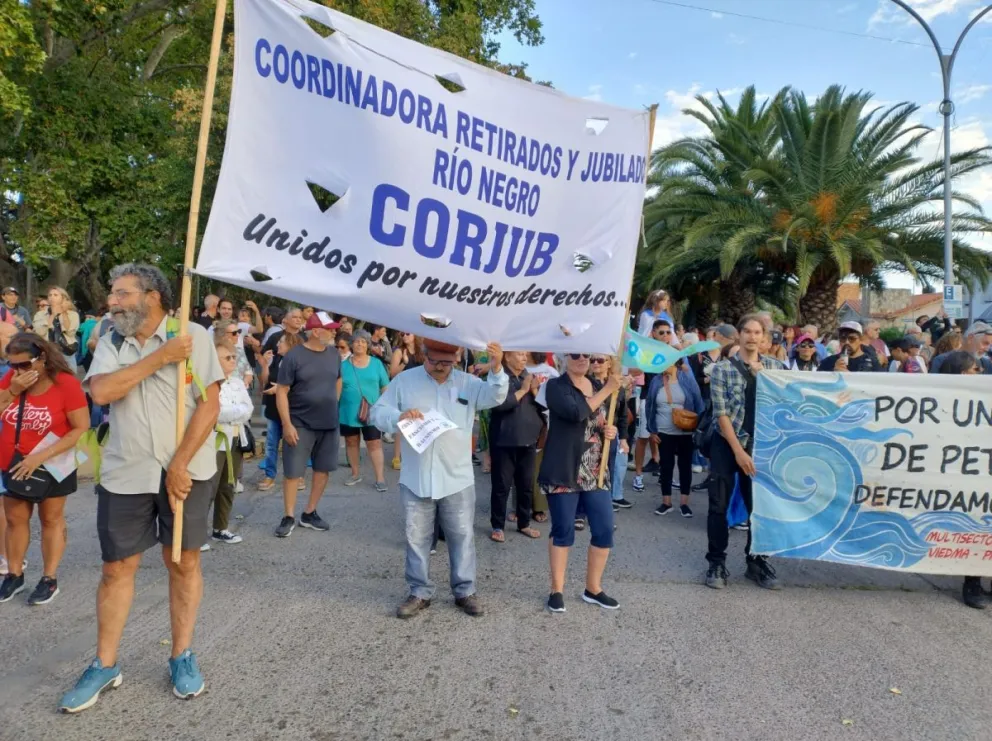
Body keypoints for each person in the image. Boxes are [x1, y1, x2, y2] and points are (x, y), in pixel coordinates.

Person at [59, 263, 225, 711]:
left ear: (152, 295)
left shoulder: (193, 334)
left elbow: (209, 407)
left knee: (184, 564)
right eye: (113, 294)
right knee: (116, 568)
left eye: (121, 293)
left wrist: (180, 463)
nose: (111, 302)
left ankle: (182, 654)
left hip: (187, 471)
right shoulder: (113, 339)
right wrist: (160, 358)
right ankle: (105, 664)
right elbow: (103, 392)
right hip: (125, 473)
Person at [370, 339, 507, 619]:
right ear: (425, 356)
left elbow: (496, 396)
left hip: (456, 475)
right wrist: (399, 416)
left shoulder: (468, 382)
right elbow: (377, 412)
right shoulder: (405, 381)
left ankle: (465, 591)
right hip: (416, 475)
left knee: (461, 536)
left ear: (457, 357)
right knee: (417, 537)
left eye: (448, 362)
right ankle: (419, 592)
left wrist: (497, 368)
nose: (441, 367)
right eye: (435, 361)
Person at [0, 334, 88, 605]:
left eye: (24, 365)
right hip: (13, 459)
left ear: (42, 358)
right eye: (12, 365)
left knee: (51, 519)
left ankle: (49, 578)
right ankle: (14, 574)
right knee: (15, 519)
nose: (18, 371)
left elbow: (80, 427)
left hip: (52, 462)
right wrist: (13, 389)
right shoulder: (12, 381)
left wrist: (39, 457)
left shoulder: (66, 384)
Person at [705, 314, 786, 591]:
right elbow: (721, 413)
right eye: (747, 331)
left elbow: (786, 406)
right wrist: (738, 451)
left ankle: (756, 560)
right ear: (739, 335)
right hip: (727, 444)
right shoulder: (722, 370)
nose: (752, 337)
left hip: (763, 446)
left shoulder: (776, 368)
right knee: (719, 504)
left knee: (760, 507)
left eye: (757, 332)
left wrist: (764, 379)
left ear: (765, 337)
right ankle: (716, 561)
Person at [539, 353, 621, 613]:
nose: (584, 359)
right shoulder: (555, 386)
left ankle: (593, 588)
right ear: (564, 359)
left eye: (588, 355)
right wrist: (608, 388)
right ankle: (557, 589)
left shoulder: (597, 386)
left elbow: (599, 421)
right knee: (564, 530)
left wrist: (611, 431)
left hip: (595, 471)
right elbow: (576, 413)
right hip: (565, 470)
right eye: (576, 355)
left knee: (605, 529)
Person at [274, 311, 341, 538]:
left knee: (323, 470)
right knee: (293, 472)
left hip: (329, 423)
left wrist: (332, 403)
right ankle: (289, 516)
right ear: (315, 331)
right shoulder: (294, 356)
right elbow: (281, 391)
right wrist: (287, 424)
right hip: (300, 423)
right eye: (329, 329)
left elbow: (338, 380)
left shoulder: (334, 354)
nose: (334, 332)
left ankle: (309, 512)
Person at [931, 351, 987, 608]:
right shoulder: (939, 398)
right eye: (976, 370)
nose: (982, 374)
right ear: (963, 373)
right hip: (962, 474)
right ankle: (972, 584)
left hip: (982, 469)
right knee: (972, 524)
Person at [488, 351, 543, 543]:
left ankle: (524, 523)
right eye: (519, 354)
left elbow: (544, 408)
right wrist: (523, 390)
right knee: (502, 485)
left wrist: (535, 391)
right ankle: (497, 525)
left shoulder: (529, 376)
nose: (523, 358)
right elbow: (498, 405)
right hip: (505, 439)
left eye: (524, 354)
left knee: (526, 485)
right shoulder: (500, 377)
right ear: (507, 357)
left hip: (528, 439)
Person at [207, 336, 253, 546]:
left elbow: (248, 409)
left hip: (235, 438)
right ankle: (196, 532)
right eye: (227, 357)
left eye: (234, 357)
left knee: (228, 485)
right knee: (208, 487)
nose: (233, 361)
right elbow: (214, 413)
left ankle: (221, 527)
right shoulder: (208, 383)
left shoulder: (236, 383)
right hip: (214, 440)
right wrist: (235, 412)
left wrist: (231, 413)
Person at [646, 359, 704, 517]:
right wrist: (652, 431)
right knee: (666, 466)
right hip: (664, 431)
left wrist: (699, 428)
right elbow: (650, 405)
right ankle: (666, 502)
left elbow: (698, 402)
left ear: (675, 362)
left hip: (685, 431)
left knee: (685, 466)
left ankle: (684, 504)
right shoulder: (656, 381)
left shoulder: (686, 378)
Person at [338, 329, 390, 491]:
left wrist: (386, 407)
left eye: (363, 341)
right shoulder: (343, 366)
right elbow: (337, 390)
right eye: (356, 341)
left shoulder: (376, 363)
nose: (359, 344)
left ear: (368, 345)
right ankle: (355, 473)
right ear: (351, 344)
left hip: (372, 412)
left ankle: (380, 478)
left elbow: (385, 386)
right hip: (347, 411)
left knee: (374, 443)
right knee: (351, 442)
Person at [632, 319, 677, 492]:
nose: (666, 335)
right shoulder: (646, 351)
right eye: (662, 332)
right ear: (653, 333)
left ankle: (666, 475)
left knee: (669, 439)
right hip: (648, 399)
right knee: (643, 437)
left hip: (668, 400)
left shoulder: (674, 351)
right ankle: (638, 475)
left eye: (668, 332)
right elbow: (635, 370)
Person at [256, 332, 304, 491]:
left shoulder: (299, 361)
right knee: (271, 444)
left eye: (281, 342)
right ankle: (269, 476)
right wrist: (265, 365)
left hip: (293, 410)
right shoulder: (275, 359)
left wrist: (280, 389)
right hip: (273, 408)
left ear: (290, 344)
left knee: (295, 443)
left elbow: (301, 384)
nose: (277, 345)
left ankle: (298, 475)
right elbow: (264, 381)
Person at [588, 354, 635, 510]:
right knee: (587, 471)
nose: (596, 363)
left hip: (610, 435)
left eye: (600, 360)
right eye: (592, 360)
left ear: (609, 364)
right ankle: (581, 512)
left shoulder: (617, 387)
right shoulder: (586, 383)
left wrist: (623, 439)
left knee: (608, 470)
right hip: (589, 434)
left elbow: (622, 416)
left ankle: (603, 509)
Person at [389, 332, 424, 469]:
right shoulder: (399, 351)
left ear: (415, 335)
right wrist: (404, 362)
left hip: (419, 390)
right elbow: (392, 373)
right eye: (402, 334)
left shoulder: (421, 351)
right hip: (403, 390)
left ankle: (415, 455)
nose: (404, 336)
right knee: (403, 424)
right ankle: (397, 457)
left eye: (407, 333)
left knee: (418, 422)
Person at [34, 287, 81, 374]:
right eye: (50, 295)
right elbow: (40, 332)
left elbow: (71, 332)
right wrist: (52, 315)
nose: (52, 297)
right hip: (47, 351)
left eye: (55, 295)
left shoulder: (72, 314)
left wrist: (64, 313)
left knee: (69, 378)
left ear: (63, 298)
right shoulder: (40, 314)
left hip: (66, 351)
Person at [819, 322, 884, 373]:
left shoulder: (872, 362)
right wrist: (833, 372)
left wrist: (848, 376)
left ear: (861, 340)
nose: (847, 342)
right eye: (843, 338)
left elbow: (878, 386)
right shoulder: (828, 361)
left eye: (852, 338)